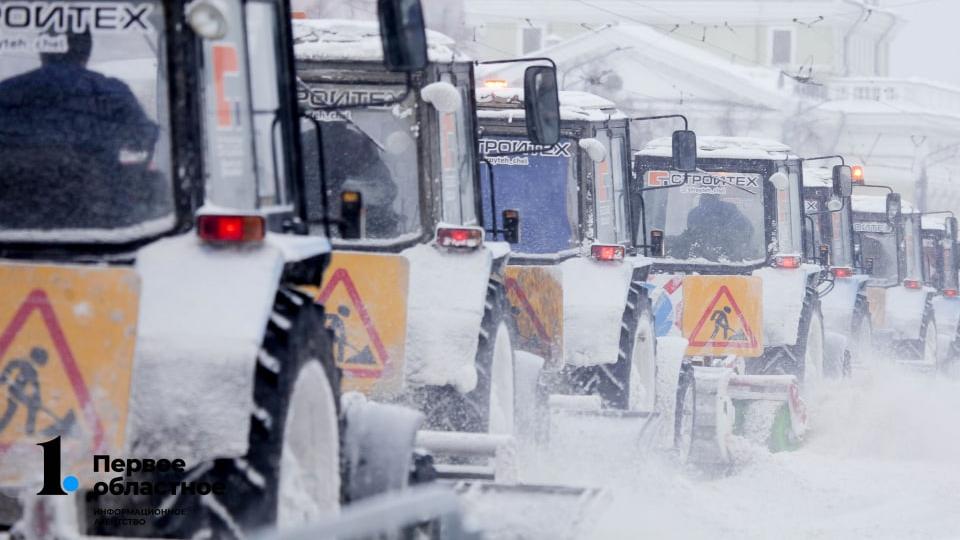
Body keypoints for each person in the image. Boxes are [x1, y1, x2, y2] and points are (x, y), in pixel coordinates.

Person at [0, 30, 159, 229]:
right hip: (94, 209)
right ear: (86, 52)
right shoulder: (110, 92)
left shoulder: (6, 92)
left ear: (42, 51)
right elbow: (141, 141)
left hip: (13, 208)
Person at [669, 193, 756, 262]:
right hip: (729, 259)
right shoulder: (730, 209)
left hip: (699, 258)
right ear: (717, 196)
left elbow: (691, 233)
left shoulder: (694, 213)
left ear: (702, 197)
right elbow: (748, 230)